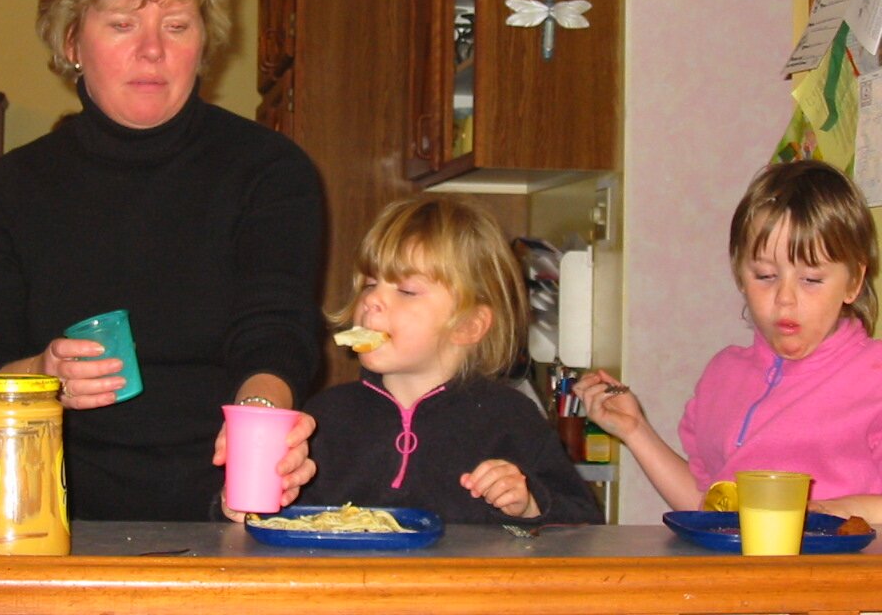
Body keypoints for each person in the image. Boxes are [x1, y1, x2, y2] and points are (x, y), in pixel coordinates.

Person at [0, 0, 324, 521]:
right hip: (45, 510)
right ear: (72, 42)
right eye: (122, 24)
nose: (152, 51)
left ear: (203, 44)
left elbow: (276, 330)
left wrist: (262, 424)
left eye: (176, 26)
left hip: (228, 503)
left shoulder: (270, 171)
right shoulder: (6, 191)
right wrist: (40, 375)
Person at [575, 159, 882, 521]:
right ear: (740, 274)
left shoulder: (873, 376)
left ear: (853, 282)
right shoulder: (723, 375)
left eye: (811, 280)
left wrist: (826, 513)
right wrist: (635, 429)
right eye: (765, 276)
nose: (785, 299)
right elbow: (710, 510)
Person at [299, 194, 604, 526]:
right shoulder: (324, 417)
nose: (372, 299)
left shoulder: (511, 418)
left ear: (468, 325)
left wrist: (530, 504)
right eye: (369, 284)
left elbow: (582, 527)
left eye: (407, 291)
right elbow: (283, 523)